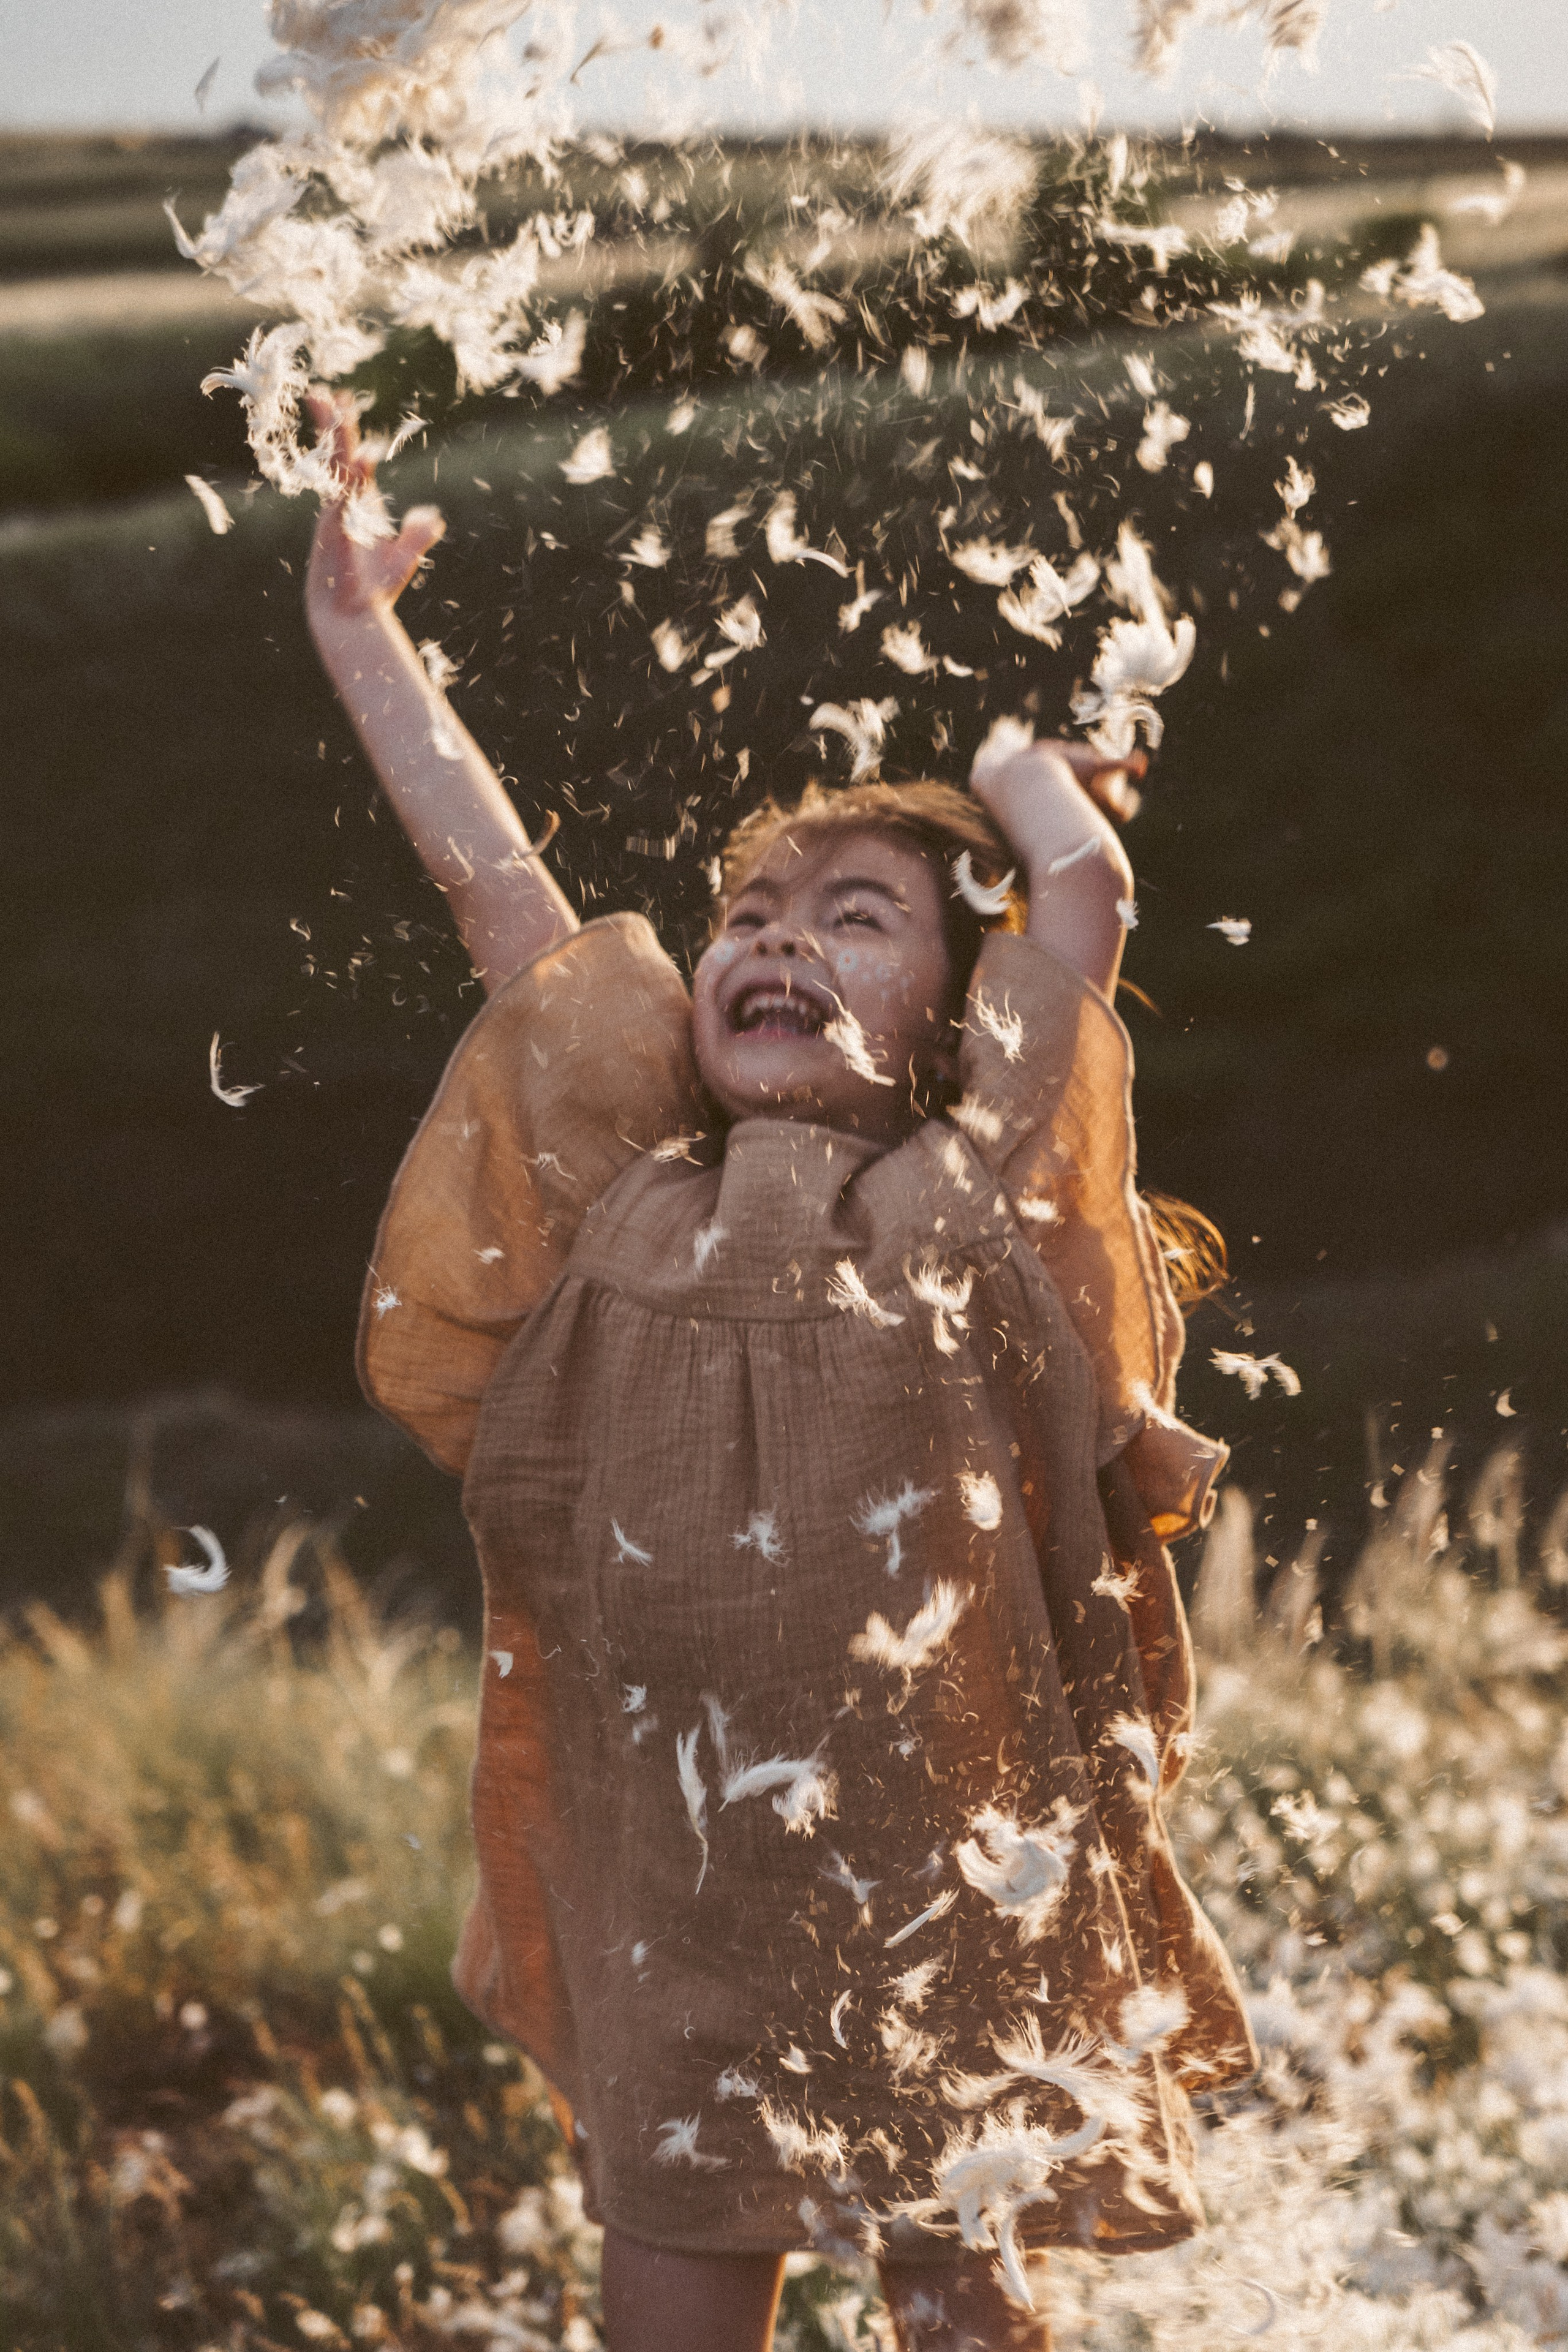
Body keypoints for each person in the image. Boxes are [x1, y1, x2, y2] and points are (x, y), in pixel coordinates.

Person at [305, 393, 1256, 2352]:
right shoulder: (627, 1190)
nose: (777, 938)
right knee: (671, 2275)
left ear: (942, 1018)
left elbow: (1080, 913)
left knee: (959, 2279)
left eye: (857, 918)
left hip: (941, 1869)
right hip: (683, 1890)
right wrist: (357, 636)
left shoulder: (956, 1191)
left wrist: (1016, 764)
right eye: (753, 911)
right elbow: (505, 899)